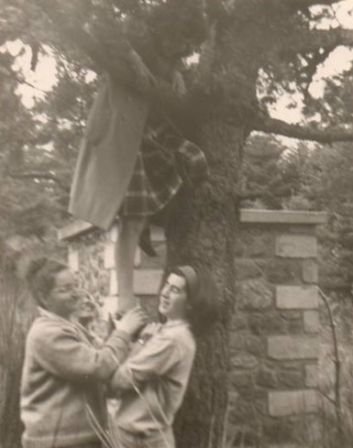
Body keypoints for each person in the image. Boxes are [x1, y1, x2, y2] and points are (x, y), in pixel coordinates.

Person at [20, 257, 147, 448]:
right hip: (56, 442)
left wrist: (141, 343)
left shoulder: (70, 326)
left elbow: (107, 364)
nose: (76, 294)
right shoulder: (46, 333)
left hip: (80, 439)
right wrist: (123, 332)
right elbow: (98, 367)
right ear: (44, 297)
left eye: (75, 286)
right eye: (65, 289)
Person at [108, 265, 213, 448]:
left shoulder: (173, 339)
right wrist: (142, 341)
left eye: (175, 290)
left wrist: (130, 338)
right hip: (140, 436)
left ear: (190, 303)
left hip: (140, 439)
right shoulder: (166, 332)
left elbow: (120, 380)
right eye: (166, 284)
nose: (164, 293)